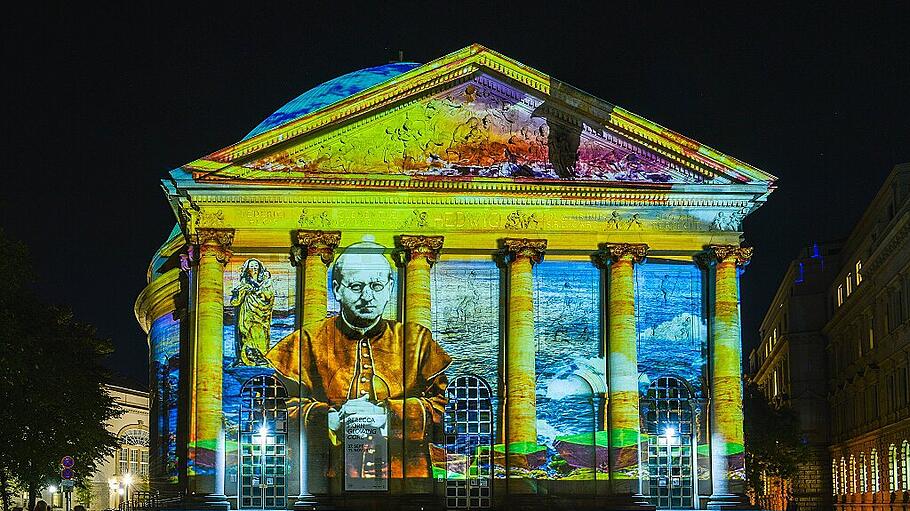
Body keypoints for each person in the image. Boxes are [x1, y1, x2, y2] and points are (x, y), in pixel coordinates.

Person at [266, 240, 451, 482]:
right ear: (337, 290)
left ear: (389, 288)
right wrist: (329, 420)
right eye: (356, 286)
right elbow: (275, 410)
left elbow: (444, 409)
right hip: (325, 481)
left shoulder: (417, 341)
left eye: (376, 286)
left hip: (406, 481)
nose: (367, 296)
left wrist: (387, 415)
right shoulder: (306, 341)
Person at [230, 258, 274, 366]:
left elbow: (269, 296)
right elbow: (236, 301)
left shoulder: (266, 282)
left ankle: (261, 357)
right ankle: (247, 358)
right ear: (247, 269)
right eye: (251, 266)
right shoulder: (244, 282)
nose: (254, 269)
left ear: (260, 268)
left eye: (256, 266)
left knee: (260, 334)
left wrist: (259, 292)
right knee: (246, 334)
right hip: (247, 312)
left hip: (261, 314)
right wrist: (242, 291)